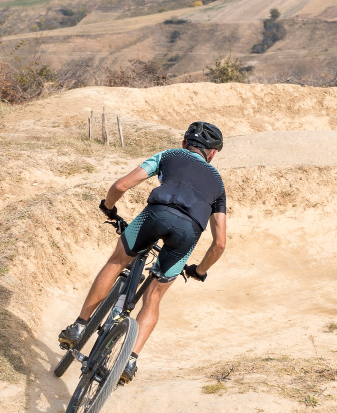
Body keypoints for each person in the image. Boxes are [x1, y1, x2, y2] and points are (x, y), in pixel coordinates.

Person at [58, 121, 226, 385]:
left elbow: (122, 185)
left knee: (116, 262)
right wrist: (198, 271)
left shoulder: (169, 155)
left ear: (184, 143)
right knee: (154, 297)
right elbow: (219, 244)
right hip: (189, 233)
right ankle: (131, 359)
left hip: (155, 214)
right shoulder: (218, 184)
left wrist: (109, 208)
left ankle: (79, 325)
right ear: (213, 154)